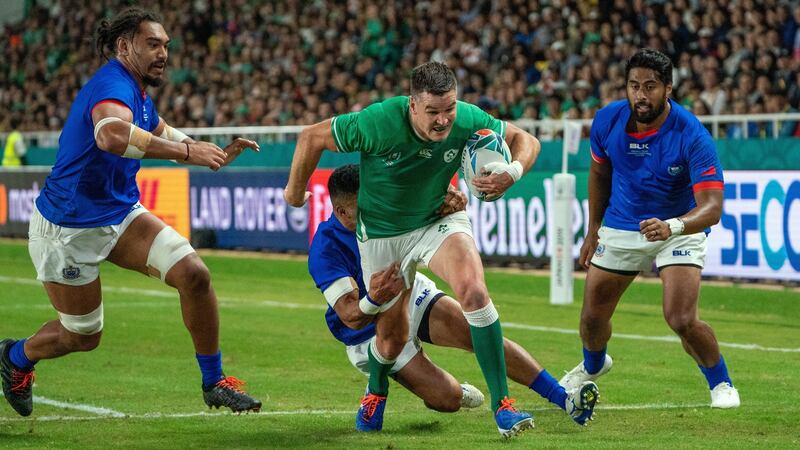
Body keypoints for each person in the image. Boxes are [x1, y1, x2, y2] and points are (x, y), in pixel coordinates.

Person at [0, 8, 261, 417]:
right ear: (124, 46)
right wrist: (190, 151)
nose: (163, 54)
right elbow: (111, 135)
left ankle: (214, 382)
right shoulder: (111, 84)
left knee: (194, 275)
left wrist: (208, 153)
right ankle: (16, 357)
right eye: (153, 44)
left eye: (166, 46)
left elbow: (158, 130)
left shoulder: (137, 90)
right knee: (83, 335)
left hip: (120, 215)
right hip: (67, 229)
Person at [286, 61, 542, 438]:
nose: (443, 121)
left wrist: (512, 172)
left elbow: (527, 141)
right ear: (412, 105)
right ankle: (375, 390)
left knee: (474, 291)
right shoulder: (378, 122)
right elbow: (311, 136)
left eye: (449, 109)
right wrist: (294, 193)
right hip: (383, 235)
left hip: (435, 219)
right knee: (390, 337)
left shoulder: (467, 118)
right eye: (433, 112)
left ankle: (503, 405)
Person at [308, 164, 598, 428]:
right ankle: (376, 389)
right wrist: (375, 297)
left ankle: (564, 399)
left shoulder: (387, 201)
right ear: (341, 212)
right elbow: (351, 317)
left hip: (408, 293)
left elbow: (430, 190)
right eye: (364, 207)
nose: (375, 210)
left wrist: (452, 198)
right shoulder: (326, 246)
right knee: (447, 399)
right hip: (366, 332)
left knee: (479, 333)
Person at [560, 48, 740, 409]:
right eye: (634, 86)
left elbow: (712, 208)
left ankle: (721, 383)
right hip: (623, 224)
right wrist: (593, 229)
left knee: (680, 318)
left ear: (668, 89)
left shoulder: (692, 134)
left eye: (651, 86)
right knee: (592, 317)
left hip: (678, 226)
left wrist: (673, 225)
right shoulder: (607, 121)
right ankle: (594, 365)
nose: (641, 95)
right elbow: (599, 172)